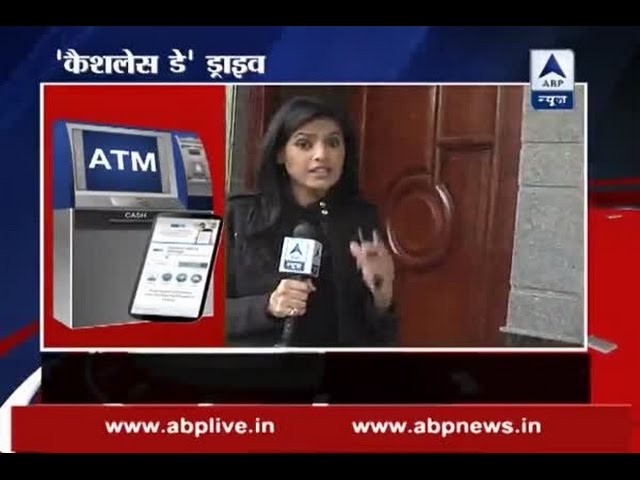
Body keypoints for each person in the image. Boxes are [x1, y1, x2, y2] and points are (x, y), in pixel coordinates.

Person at [225, 96, 398, 348]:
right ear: (280, 153)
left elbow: (381, 335)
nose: (322, 155)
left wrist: (382, 296)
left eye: (333, 143)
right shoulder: (239, 215)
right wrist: (268, 305)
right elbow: (197, 312)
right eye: (304, 144)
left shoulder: (360, 219)